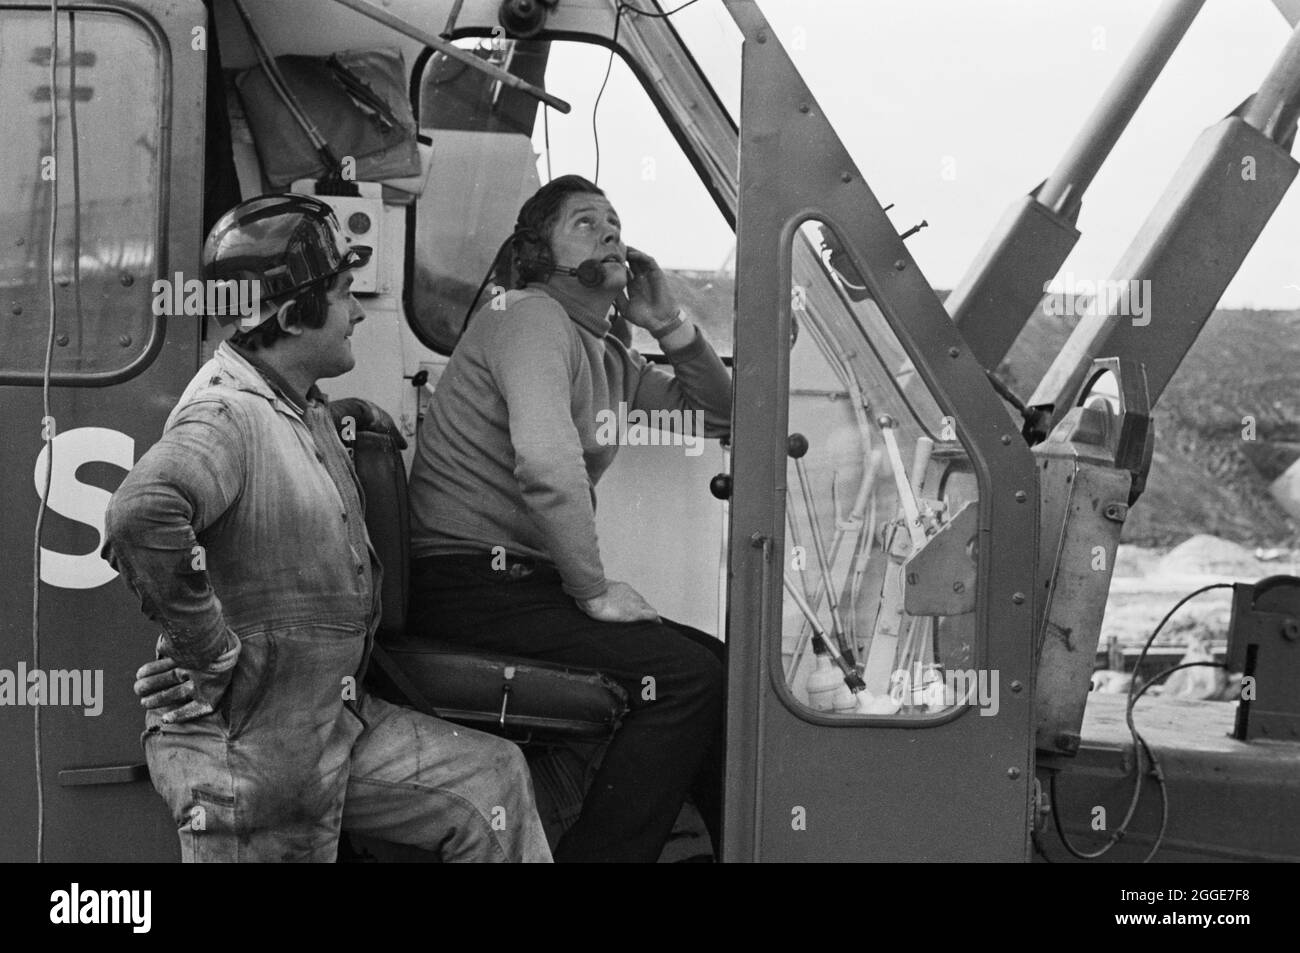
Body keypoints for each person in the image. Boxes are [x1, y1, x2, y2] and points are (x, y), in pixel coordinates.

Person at [103, 194, 551, 863]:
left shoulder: (290, 403)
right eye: (344, 295)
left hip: (330, 724)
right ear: (289, 315)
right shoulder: (228, 416)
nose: (359, 312)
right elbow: (141, 513)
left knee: (494, 779)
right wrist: (206, 650)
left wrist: (346, 416)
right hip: (252, 758)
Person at [406, 175, 733, 862]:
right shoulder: (528, 316)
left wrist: (668, 322)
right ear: (539, 254)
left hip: (519, 585)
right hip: (468, 582)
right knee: (686, 677)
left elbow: (721, 414)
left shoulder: (607, 351)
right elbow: (547, 465)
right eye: (586, 222)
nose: (611, 229)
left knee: (717, 662)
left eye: (615, 220)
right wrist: (593, 591)